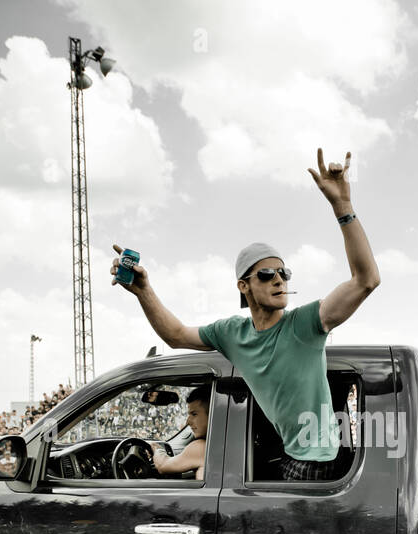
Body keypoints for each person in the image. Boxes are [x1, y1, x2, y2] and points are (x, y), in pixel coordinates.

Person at [112, 149, 379, 481]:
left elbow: (366, 280)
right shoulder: (232, 333)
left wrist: (342, 207)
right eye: (267, 274)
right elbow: (175, 335)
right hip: (290, 454)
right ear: (244, 286)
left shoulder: (306, 325)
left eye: (284, 273)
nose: (279, 279)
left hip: (316, 464)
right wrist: (143, 290)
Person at [151, 385, 210, 479]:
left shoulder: (202, 448)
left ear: (212, 415)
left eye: (194, 414)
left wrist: (157, 449)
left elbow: (162, 465)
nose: (188, 422)